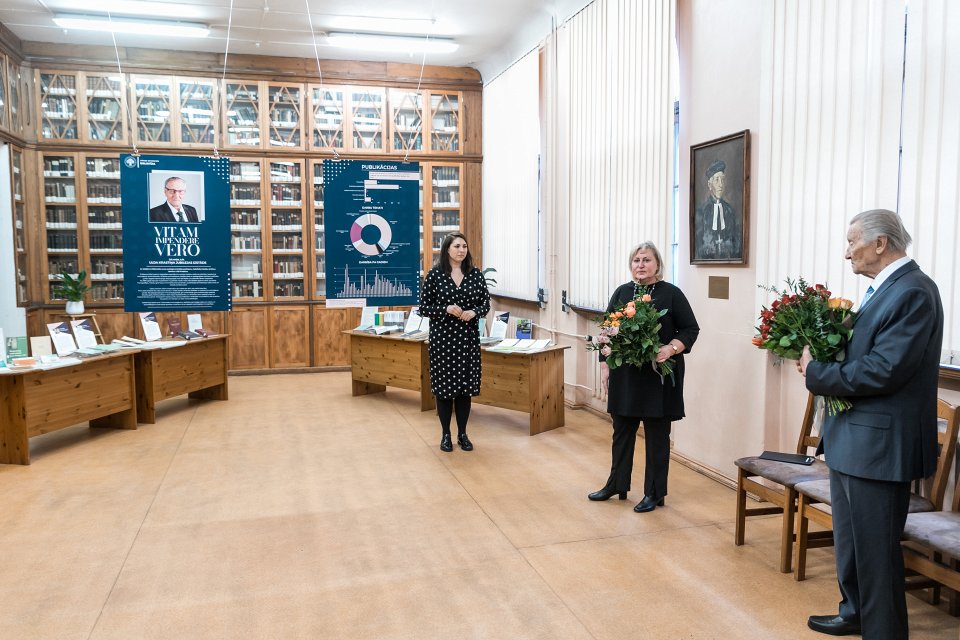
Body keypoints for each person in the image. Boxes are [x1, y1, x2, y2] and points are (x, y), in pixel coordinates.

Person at [798, 209, 943, 639]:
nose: (847, 253)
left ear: (880, 244)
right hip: (854, 441)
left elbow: (885, 369)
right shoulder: (883, 289)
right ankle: (855, 611)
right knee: (852, 542)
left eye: (852, 242)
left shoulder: (914, 291)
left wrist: (816, 372)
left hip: (878, 447)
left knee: (876, 552)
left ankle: (883, 632)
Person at [589, 242, 700, 512]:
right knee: (622, 431)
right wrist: (605, 366)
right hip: (625, 374)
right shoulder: (622, 292)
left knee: (657, 435)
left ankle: (654, 492)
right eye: (636, 260)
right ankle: (617, 483)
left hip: (658, 375)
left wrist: (671, 348)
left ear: (657, 265)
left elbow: (690, 329)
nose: (641, 264)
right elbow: (606, 332)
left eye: (647, 260)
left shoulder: (671, 294)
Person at [418, 232, 491, 452]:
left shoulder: (475, 275)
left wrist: (473, 312)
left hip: (467, 340)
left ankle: (463, 434)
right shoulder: (435, 275)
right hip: (443, 341)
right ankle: (445, 435)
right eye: (457, 246)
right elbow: (423, 307)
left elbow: (485, 304)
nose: (462, 250)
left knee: (464, 390)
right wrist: (445, 309)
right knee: (444, 390)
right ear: (447, 249)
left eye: (464, 246)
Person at [695, 160, 741, 260]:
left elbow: (737, 241)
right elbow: (698, 244)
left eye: (722, 180)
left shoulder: (730, 211)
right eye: (716, 180)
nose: (721, 184)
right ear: (709, 184)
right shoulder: (701, 212)